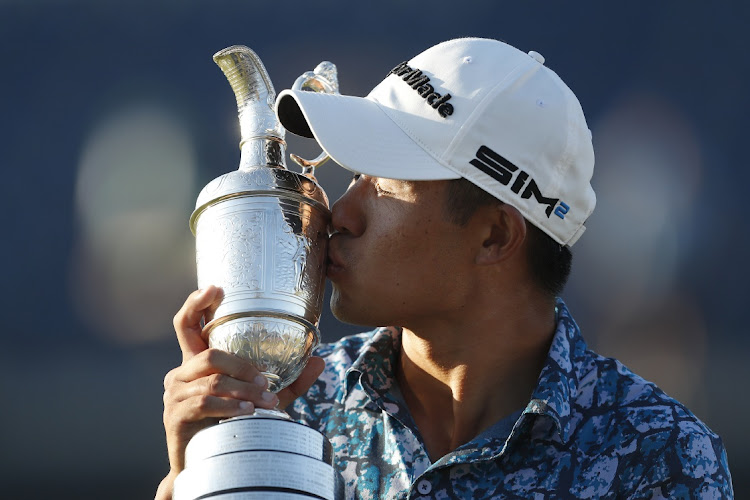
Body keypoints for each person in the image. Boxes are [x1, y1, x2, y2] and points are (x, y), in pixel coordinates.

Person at [157, 38, 733, 499]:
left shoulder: (658, 457)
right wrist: (206, 473)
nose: (342, 213)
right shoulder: (292, 411)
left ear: (494, 235)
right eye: (354, 178)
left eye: (382, 183)